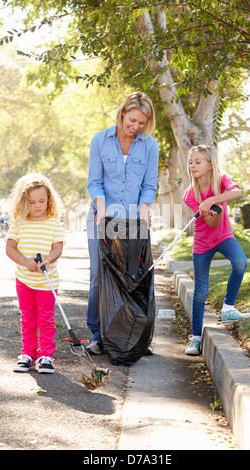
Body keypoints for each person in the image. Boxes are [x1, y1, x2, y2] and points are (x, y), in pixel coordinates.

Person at [86, 92, 159, 354]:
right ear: (122, 113)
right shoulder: (100, 140)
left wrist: (144, 210)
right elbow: (94, 181)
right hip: (102, 214)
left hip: (133, 219)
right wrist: (102, 209)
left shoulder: (150, 145)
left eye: (141, 123)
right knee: (99, 275)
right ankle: (98, 335)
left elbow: (149, 185)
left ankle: (134, 337)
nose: (135, 127)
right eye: (132, 120)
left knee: (133, 277)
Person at [183, 145, 250, 356]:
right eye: (190, 162)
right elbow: (212, 223)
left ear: (210, 165)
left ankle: (228, 309)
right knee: (201, 290)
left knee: (240, 263)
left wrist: (213, 199)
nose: (192, 166)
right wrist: (212, 207)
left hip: (224, 237)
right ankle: (195, 339)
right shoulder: (189, 195)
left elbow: (237, 192)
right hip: (203, 243)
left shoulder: (222, 179)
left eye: (197, 162)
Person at [6, 173, 65, 373]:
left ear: (48, 200)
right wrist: (25, 262)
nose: (37, 205)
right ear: (24, 202)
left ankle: (46, 355)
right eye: (32, 202)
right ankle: (28, 354)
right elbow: (10, 248)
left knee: (46, 319)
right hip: (24, 280)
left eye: (41, 201)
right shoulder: (19, 223)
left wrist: (48, 260)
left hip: (47, 282)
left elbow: (57, 248)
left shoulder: (54, 223)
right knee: (28, 318)